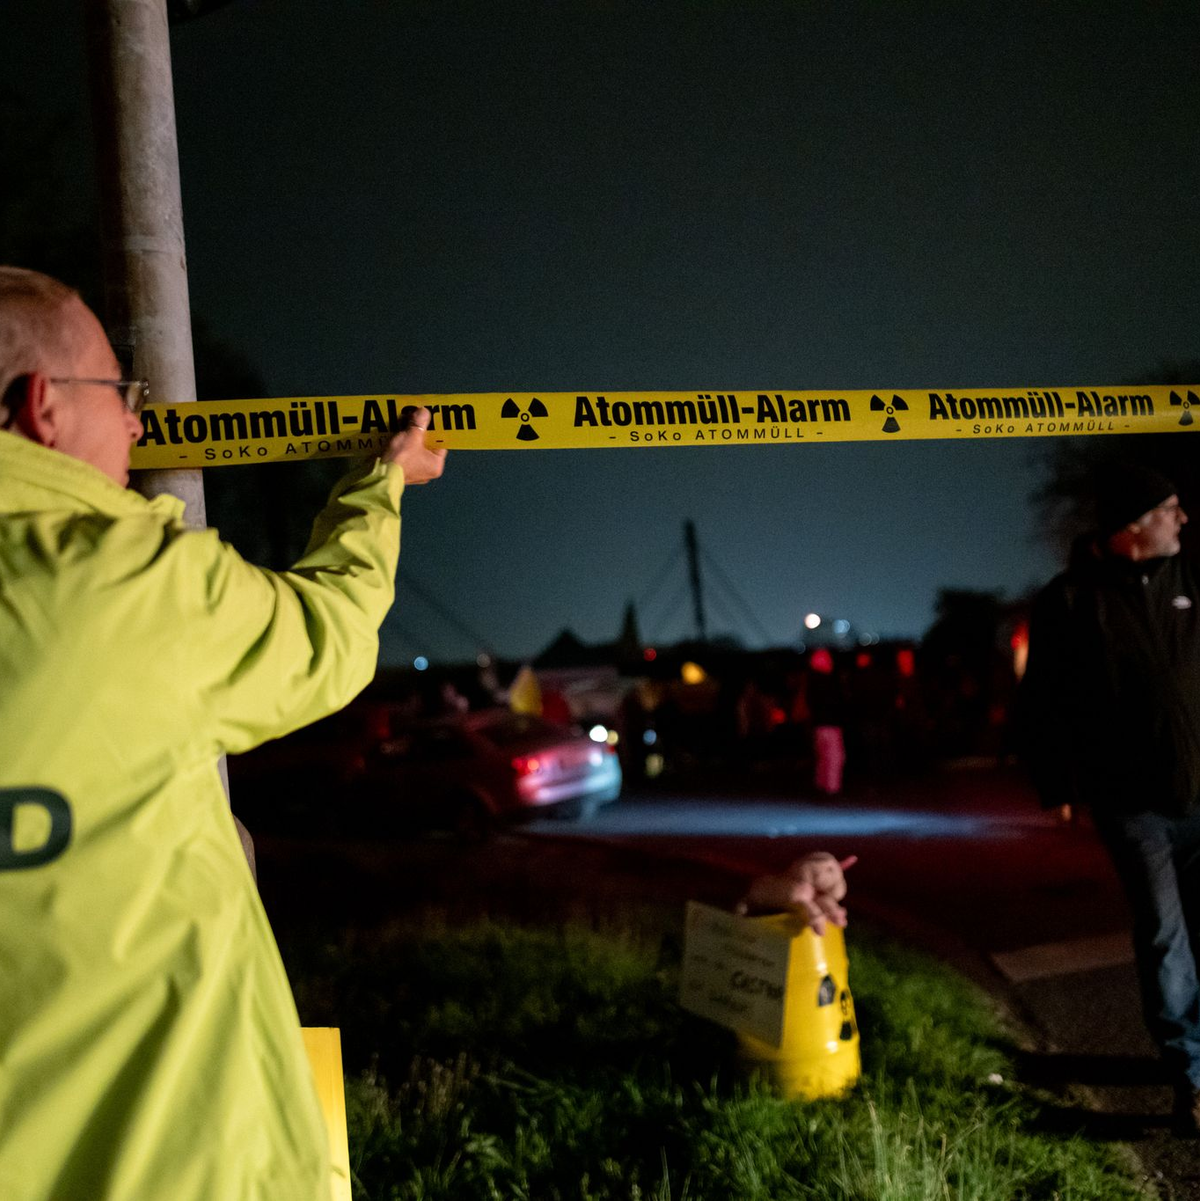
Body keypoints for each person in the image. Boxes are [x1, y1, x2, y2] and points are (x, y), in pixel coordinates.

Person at [0, 265, 446, 1200]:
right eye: (121, 394)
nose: (138, 425)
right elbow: (328, 635)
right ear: (42, 406)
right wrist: (381, 486)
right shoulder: (126, 583)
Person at [1018, 462, 1199, 1132]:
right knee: (1164, 936)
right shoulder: (1068, 601)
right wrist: (1056, 784)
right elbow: (1043, 701)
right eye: (1170, 508)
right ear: (1133, 526)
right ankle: (1191, 1074)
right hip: (1133, 804)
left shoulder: (1192, 578)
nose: (1183, 518)